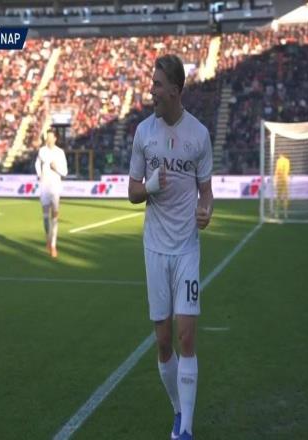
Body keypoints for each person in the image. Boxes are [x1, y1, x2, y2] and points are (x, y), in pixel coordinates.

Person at [128, 54, 213, 440]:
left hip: (187, 250)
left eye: (158, 85)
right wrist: (150, 187)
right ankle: (179, 410)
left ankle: (187, 430)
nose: (152, 91)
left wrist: (206, 210)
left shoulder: (199, 134)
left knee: (186, 337)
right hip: (154, 249)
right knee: (164, 343)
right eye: (152, 84)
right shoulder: (143, 133)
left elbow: (206, 193)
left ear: (175, 91)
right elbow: (132, 192)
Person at [35, 129, 68, 258]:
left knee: (54, 215)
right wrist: (39, 174)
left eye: (50, 137)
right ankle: (48, 239)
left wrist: (56, 168)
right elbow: (37, 163)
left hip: (55, 186)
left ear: (55, 138)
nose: (48, 140)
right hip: (44, 186)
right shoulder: (42, 151)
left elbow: (65, 172)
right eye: (47, 137)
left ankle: (53, 245)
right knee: (45, 216)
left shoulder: (60, 153)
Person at [274, 153, 290, 218]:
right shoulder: (287, 161)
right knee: (285, 197)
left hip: (280, 181)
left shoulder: (279, 161)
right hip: (285, 180)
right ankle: (285, 213)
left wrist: (275, 180)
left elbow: (276, 171)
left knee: (278, 197)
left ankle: (277, 213)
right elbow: (287, 171)